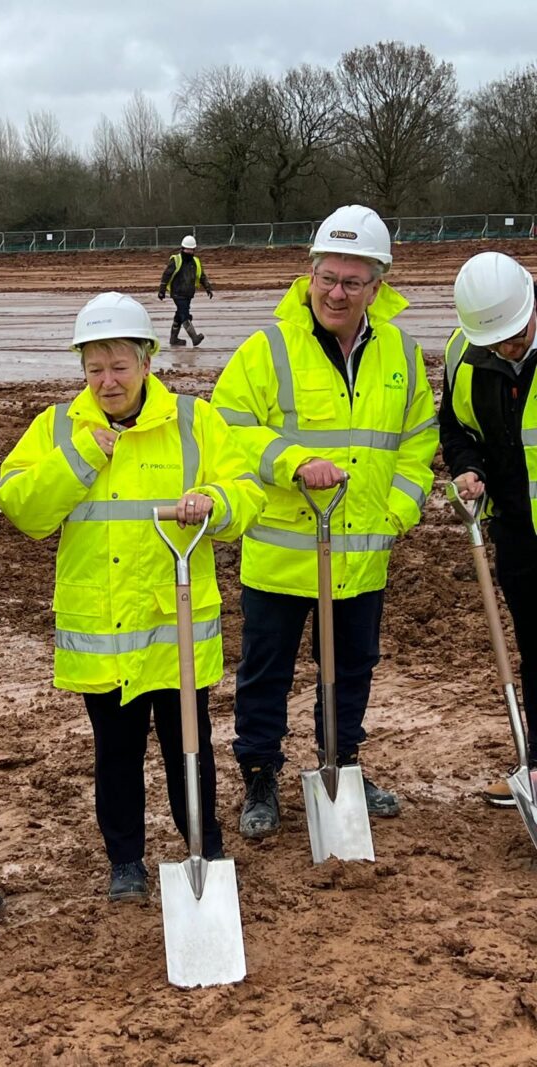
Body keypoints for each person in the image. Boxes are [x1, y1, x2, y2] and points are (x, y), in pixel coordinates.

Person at [0, 292, 263, 901]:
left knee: (188, 750)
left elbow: (245, 494)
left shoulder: (194, 422)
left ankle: (204, 845)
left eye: (119, 366)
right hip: (103, 631)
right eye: (95, 369)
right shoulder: (58, 427)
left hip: (175, 631)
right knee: (115, 754)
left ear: (147, 362)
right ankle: (126, 863)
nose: (107, 381)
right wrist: (86, 452)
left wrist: (214, 504)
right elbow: (25, 510)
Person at [210, 204, 438, 838]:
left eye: (352, 281)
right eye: (327, 278)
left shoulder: (399, 351)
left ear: (378, 285)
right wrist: (292, 461)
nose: (336, 293)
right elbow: (227, 430)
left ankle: (343, 760)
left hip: (362, 551)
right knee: (266, 672)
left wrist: (398, 509)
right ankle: (260, 774)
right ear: (309, 273)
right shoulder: (268, 349)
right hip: (282, 554)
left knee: (351, 667)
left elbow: (418, 439)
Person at [440, 250, 537, 807]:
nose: (509, 348)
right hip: (518, 532)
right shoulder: (464, 352)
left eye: (517, 335)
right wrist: (468, 468)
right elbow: (455, 425)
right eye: (497, 341)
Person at [158, 234, 213, 348]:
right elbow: (166, 274)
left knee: (179, 315)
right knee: (185, 315)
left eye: (191, 249)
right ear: (182, 248)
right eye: (187, 249)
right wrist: (162, 290)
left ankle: (174, 339)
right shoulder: (176, 260)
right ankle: (194, 338)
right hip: (177, 293)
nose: (189, 251)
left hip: (188, 294)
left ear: (194, 250)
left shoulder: (195, 262)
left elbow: (201, 276)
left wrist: (207, 287)